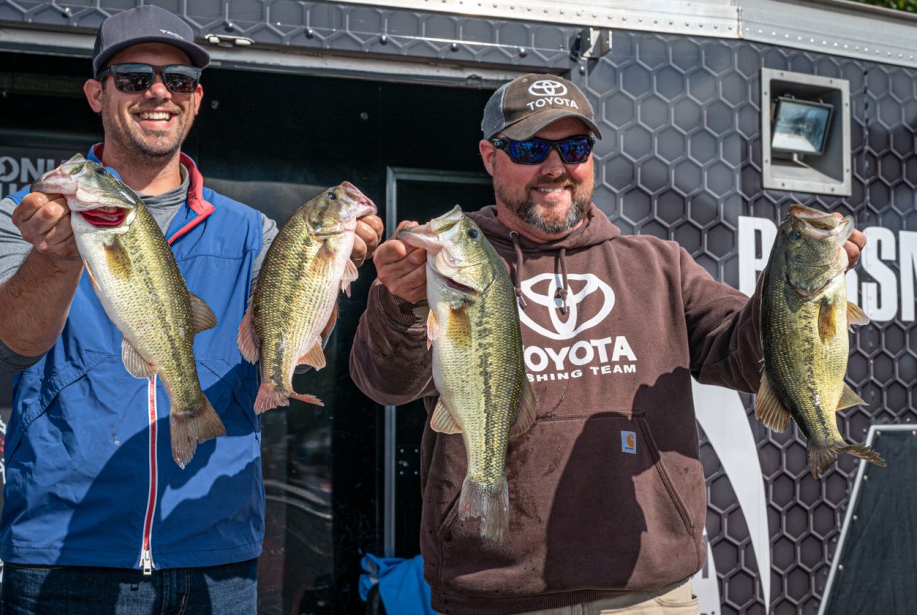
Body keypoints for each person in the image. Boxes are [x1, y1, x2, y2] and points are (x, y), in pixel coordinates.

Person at [348, 73, 866, 615]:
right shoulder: (446, 259)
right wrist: (400, 303)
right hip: (495, 592)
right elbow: (383, 384)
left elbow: (745, 357)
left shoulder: (660, 266)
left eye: (573, 148)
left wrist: (799, 289)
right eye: (530, 148)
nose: (555, 168)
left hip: (647, 591)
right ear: (489, 156)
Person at [0, 4, 383, 614]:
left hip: (214, 553)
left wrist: (333, 265)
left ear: (195, 100)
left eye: (179, 81)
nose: (158, 94)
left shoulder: (252, 231)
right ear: (96, 93)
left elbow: (296, 338)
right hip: (65, 552)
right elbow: (9, 346)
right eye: (134, 78)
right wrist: (55, 260)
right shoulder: (31, 217)